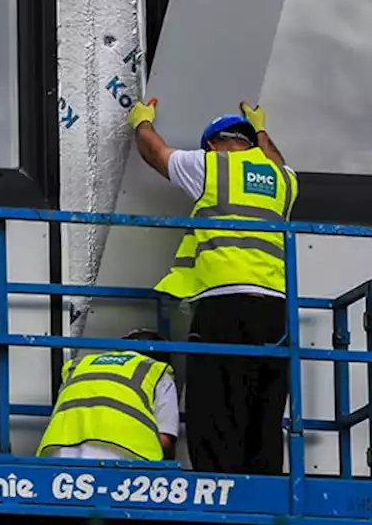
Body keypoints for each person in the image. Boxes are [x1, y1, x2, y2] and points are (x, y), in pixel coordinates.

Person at [126, 99, 297, 475]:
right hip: (276, 311)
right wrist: (262, 129)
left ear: (212, 144)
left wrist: (141, 122)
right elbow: (275, 160)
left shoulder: (211, 166)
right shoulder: (284, 180)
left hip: (224, 303)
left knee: (215, 403)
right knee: (265, 406)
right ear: (251, 142)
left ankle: (219, 486)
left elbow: (156, 153)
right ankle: (263, 492)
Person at [38, 330, 180, 461]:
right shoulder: (157, 371)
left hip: (59, 452)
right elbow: (164, 439)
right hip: (123, 456)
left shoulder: (79, 365)